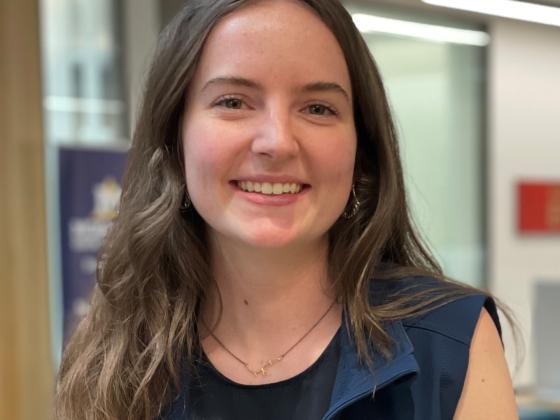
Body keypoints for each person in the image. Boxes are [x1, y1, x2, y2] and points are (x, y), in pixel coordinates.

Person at [54, 0, 519, 419]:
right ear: (175, 138)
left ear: (362, 149)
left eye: (318, 108)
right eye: (233, 102)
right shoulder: (115, 349)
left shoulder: (448, 342)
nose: (277, 141)